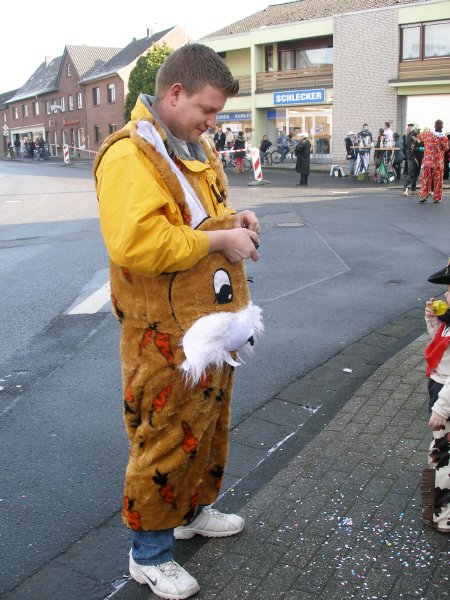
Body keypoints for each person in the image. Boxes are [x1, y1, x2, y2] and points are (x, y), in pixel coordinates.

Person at [94, 43, 261, 600]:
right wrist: (220, 238)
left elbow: (198, 215)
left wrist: (235, 219)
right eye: (207, 111)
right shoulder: (128, 157)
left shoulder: (193, 146)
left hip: (208, 322)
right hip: (161, 333)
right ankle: (149, 555)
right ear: (174, 94)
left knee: (208, 429)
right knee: (163, 441)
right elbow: (139, 242)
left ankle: (193, 511)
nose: (213, 124)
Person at [421, 261, 450, 533]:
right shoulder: (449, 320)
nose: (446, 295)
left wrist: (442, 407)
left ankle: (443, 516)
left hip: (447, 396)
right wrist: (433, 319)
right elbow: (439, 345)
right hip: (439, 386)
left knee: (444, 456)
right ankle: (434, 502)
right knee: (439, 448)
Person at [417, 119, 449, 204]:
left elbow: (419, 137)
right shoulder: (444, 138)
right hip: (438, 163)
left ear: (434, 126)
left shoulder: (427, 134)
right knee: (438, 180)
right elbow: (446, 149)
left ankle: (424, 195)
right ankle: (437, 197)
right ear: (442, 127)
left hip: (428, 161)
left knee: (425, 179)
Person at [402, 123, 421, 197]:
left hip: (418, 157)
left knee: (416, 174)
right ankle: (405, 189)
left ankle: (413, 189)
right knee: (411, 173)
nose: (419, 131)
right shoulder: (411, 136)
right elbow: (410, 148)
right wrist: (414, 158)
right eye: (418, 130)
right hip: (412, 158)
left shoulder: (418, 136)